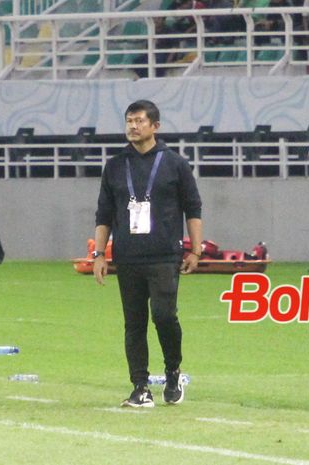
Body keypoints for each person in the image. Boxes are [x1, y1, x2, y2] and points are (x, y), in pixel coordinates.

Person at [94, 99, 202, 408]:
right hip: (127, 256)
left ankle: (172, 371)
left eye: (140, 121)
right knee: (134, 323)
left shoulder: (175, 164)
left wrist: (195, 249)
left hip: (164, 254)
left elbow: (193, 207)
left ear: (155, 126)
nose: (133, 126)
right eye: (129, 120)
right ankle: (140, 386)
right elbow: (103, 213)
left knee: (165, 316)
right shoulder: (115, 165)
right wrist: (99, 254)